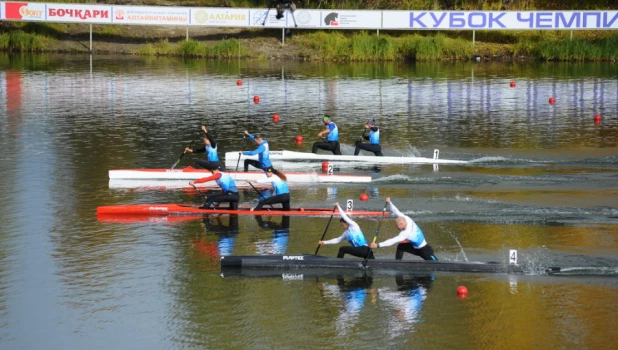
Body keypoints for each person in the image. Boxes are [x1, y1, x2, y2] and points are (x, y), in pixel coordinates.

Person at [370, 198, 437, 261]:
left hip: (425, 250)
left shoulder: (406, 232)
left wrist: (378, 245)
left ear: (402, 224)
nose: (396, 227)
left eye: (397, 225)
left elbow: (393, 241)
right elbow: (395, 211)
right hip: (414, 248)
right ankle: (398, 263)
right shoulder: (405, 218)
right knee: (401, 246)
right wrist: (390, 202)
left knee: (436, 264)